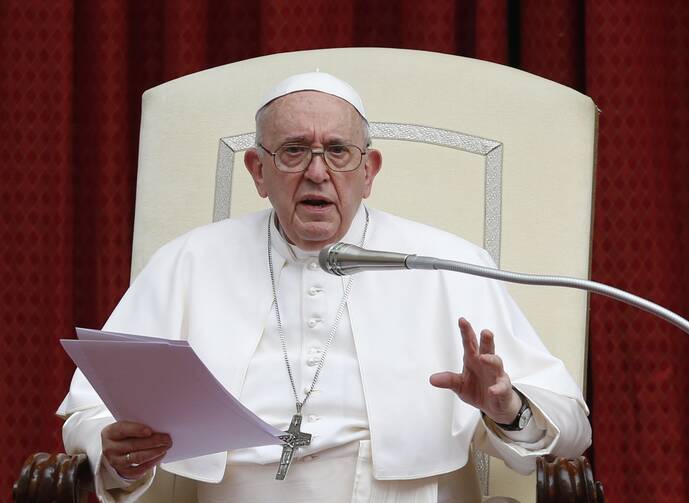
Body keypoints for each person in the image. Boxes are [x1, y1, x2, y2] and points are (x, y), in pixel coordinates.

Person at [58, 72, 591, 503]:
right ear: (257, 171)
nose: (317, 172)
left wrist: (506, 408)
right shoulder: (188, 261)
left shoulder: (448, 263)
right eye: (293, 151)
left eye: (338, 151)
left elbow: (570, 425)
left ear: (369, 170)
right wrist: (112, 451)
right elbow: (92, 407)